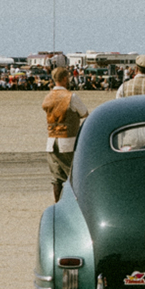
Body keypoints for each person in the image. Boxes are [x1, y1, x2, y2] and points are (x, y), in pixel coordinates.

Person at [41, 65, 87, 202]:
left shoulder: (48, 97)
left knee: (56, 178)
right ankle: (77, 204)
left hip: (51, 141)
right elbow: (84, 113)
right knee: (74, 176)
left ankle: (58, 204)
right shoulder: (70, 97)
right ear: (65, 78)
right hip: (68, 140)